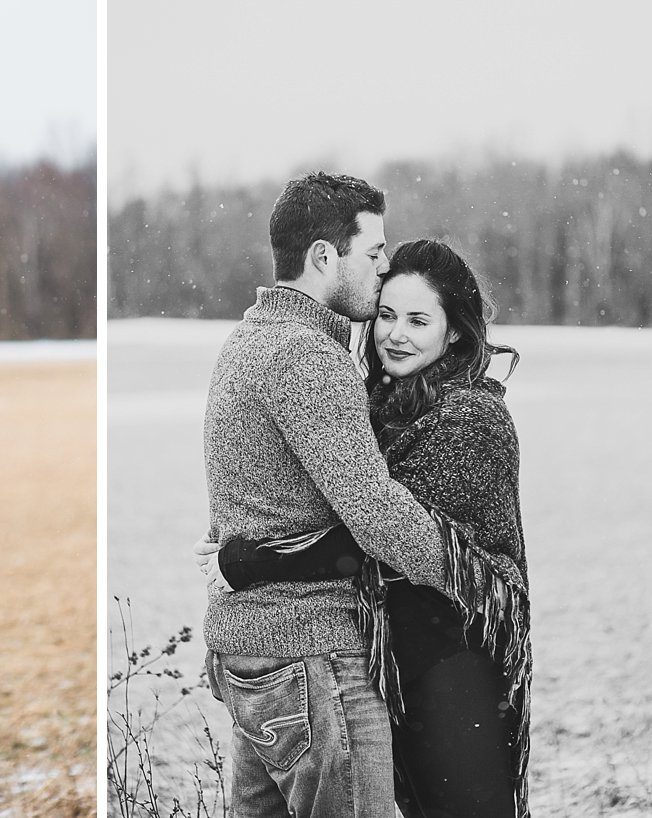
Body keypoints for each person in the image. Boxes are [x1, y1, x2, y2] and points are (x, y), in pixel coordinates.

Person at [209, 239, 531, 817]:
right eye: (386, 316)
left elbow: (381, 532)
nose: (395, 335)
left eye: (417, 320)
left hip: (450, 660)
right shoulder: (377, 406)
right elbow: (345, 512)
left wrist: (248, 563)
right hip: (392, 658)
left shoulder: (470, 418)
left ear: (454, 331)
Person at [199, 172, 452, 817]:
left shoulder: (249, 338)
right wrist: (465, 568)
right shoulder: (307, 355)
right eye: (372, 252)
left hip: (253, 655)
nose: (384, 267)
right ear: (323, 257)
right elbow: (371, 508)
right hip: (314, 658)